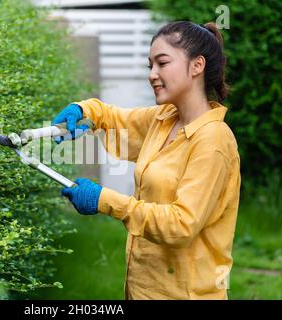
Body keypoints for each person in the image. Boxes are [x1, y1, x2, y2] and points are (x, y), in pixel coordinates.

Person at [52, 21, 241, 300]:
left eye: (162, 63)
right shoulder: (163, 120)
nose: (152, 74)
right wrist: (84, 110)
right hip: (142, 291)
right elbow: (113, 118)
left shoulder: (213, 141)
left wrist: (104, 200)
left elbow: (181, 225)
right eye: (149, 65)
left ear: (196, 66)